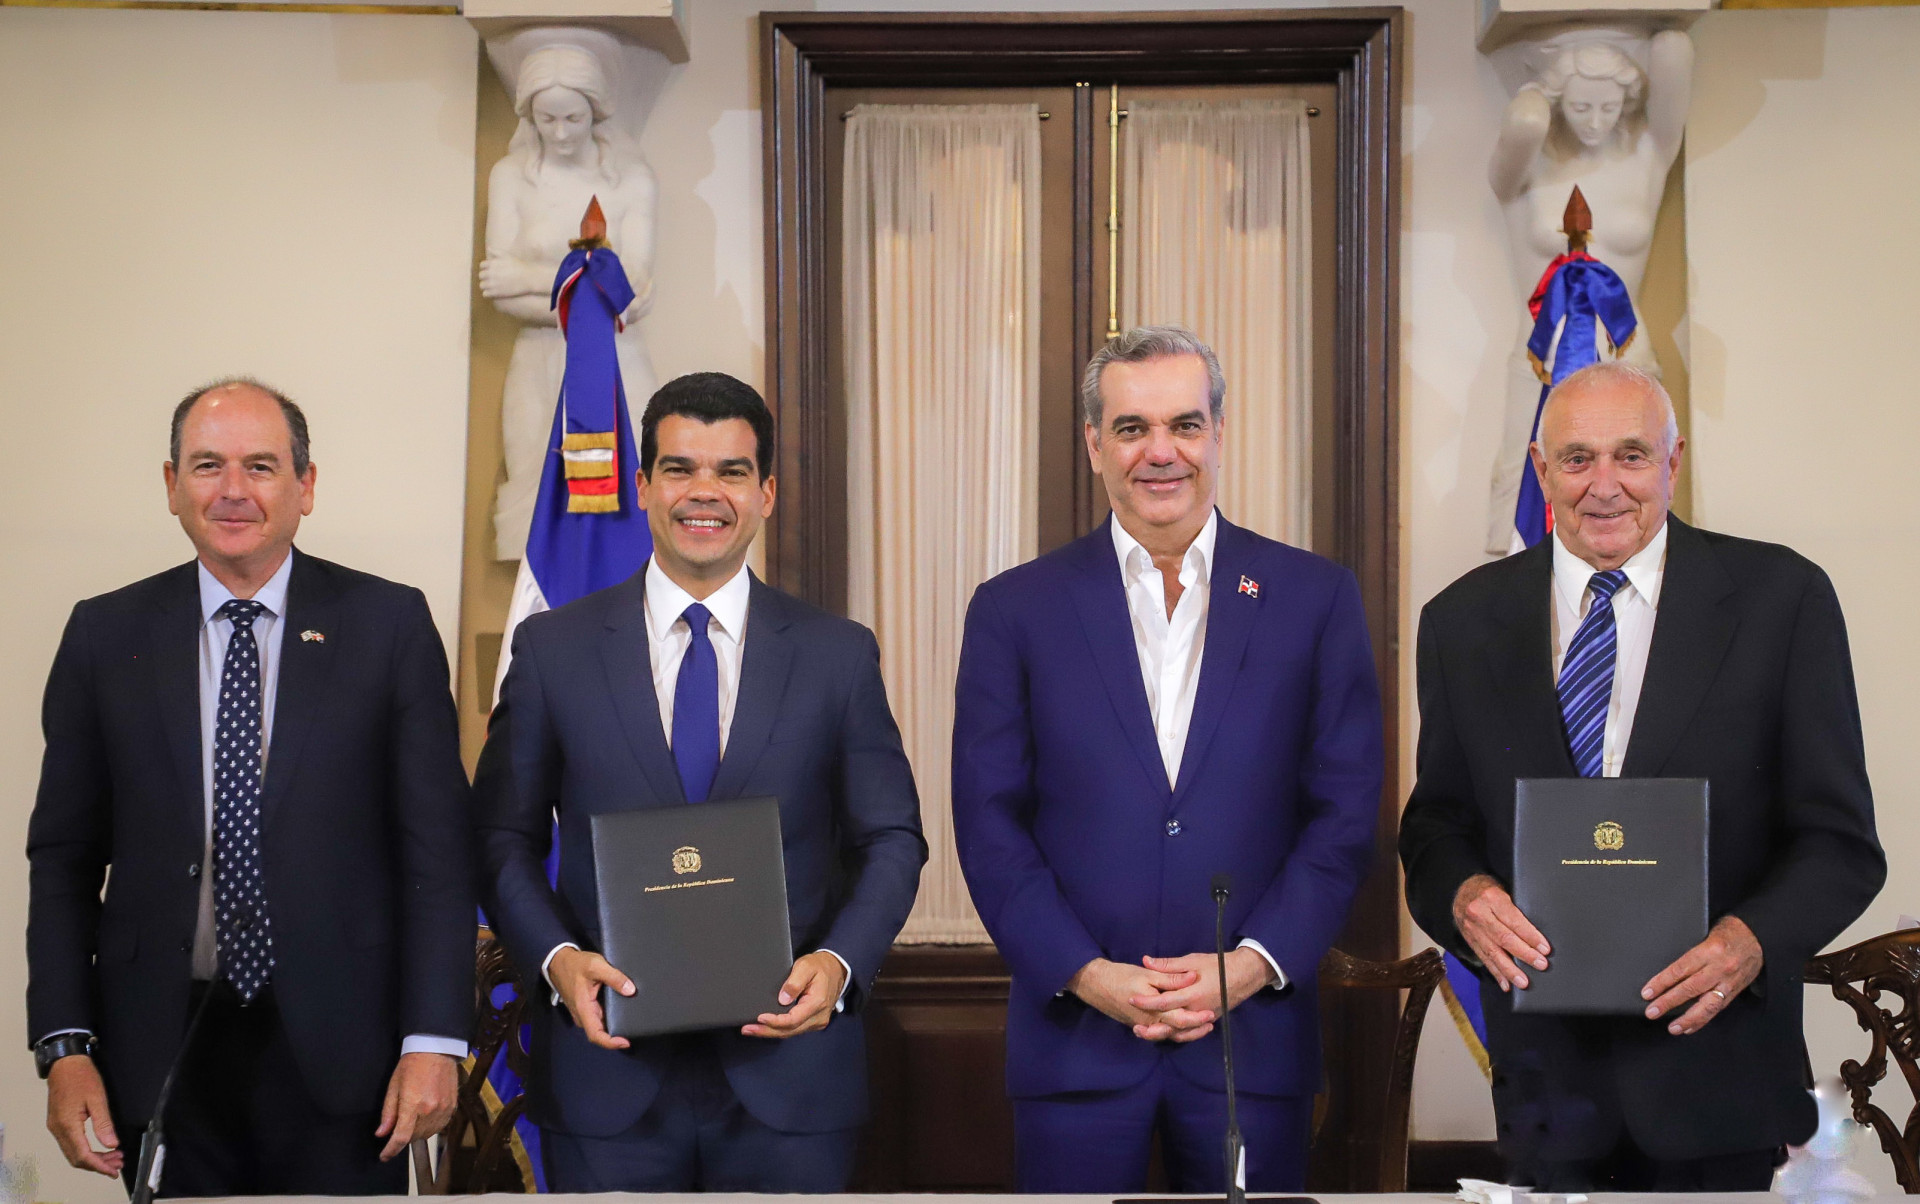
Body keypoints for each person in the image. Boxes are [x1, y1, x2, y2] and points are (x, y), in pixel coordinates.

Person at [1401, 360, 1885, 1190]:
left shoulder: (1783, 599)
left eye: (1631, 455)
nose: (1604, 485)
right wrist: (1464, 896)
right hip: (1546, 1088)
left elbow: (1840, 845)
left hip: (1722, 1077)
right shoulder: (1459, 620)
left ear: (1673, 460)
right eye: (1577, 458)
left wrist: (1750, 942)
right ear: (1540, 468)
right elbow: (1436, 824)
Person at [951, 326, 1384, 1192]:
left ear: (1219, 432)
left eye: (1184, 425)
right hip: (1075, 1041)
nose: (1161, 452)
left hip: (1252, 1044)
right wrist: (1085, 974)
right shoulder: (1014, 610)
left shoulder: (1314, 597)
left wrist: (1249, 966)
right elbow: (989, 822)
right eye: (1132, 428)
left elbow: (1344, 814)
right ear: (1094, 444)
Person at [474, 371, 926, 1192]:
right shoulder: (552, 651)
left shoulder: (837, 655)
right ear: (643, 485)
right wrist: (557, 959)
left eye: (732, 471)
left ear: (767, 493)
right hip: (606, 1073)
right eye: (680, 469)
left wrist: (838, 963)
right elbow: (502, 837)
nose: (704, 493)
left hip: (792, 1077)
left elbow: (892, 838)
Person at [26, 379, 475, 1196]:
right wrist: (65, 1045)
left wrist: (434, 1039)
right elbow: (62, 860)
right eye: (208, 466)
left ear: (306, 485)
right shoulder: (105, 635)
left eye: (261, 466)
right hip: (162, 1048)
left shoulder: (388, 625)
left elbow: (438, 856)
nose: (233, 490)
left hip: (349, 1057)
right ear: (172, 486)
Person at [480, 42, 658, 561]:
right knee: (535, 490)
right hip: (537, 357)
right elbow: (498, 291)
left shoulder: (632, 181)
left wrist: (528, 276)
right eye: (546, 119)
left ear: (596, 111)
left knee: (630, 489)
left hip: (616, 360)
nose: (559, 133)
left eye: (573, 118)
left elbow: (631, 295)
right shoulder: (511, 176)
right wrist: (586, 280)